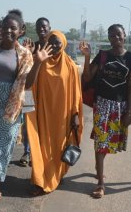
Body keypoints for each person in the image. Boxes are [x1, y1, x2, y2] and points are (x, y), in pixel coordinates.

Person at [0, 10, 52, 202]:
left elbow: (27, 84)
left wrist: (38, 61)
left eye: (13, 28)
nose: (8, 31)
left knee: (3, 147)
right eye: (5, 27)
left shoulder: (25, 54)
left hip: (10, 107)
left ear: (20, 31)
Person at [79, 24, 131, 198]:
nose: (115, 38)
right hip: (102, 104)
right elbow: (88, 77)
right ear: (109, 38)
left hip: (120, 107)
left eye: (118, 35)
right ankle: (101, 184)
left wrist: (129, 112)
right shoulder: (103, 56)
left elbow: (130, 87)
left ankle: (99, 169)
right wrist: (88, 57)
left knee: (108, 143)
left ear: (124, 35)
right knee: (100, 141)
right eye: (112, 36)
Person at [26, 30, 84, 195]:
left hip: (62, 116)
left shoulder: (71, 66)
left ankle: (55, 176)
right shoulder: (41, 62)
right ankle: (39, 180)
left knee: (59, 147)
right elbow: (30, 86)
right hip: (42, 113)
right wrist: (28, 109)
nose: (55, 45)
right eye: (51, 42)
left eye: (58, 42)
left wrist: (75, 114)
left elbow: (76, 93)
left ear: (64, 44)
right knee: (41, 146)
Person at [20, 17, 52, 166]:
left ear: (49, 28)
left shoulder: (55, 47)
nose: (42, 29)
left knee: (45, 123)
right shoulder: (33, 46)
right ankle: (27, 152)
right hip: (29, 92)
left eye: (44, 27)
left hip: (47, 93)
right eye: (39, 27)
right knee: (28, 123)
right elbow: (26, 67)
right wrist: (29, 53)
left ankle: (40, 154)